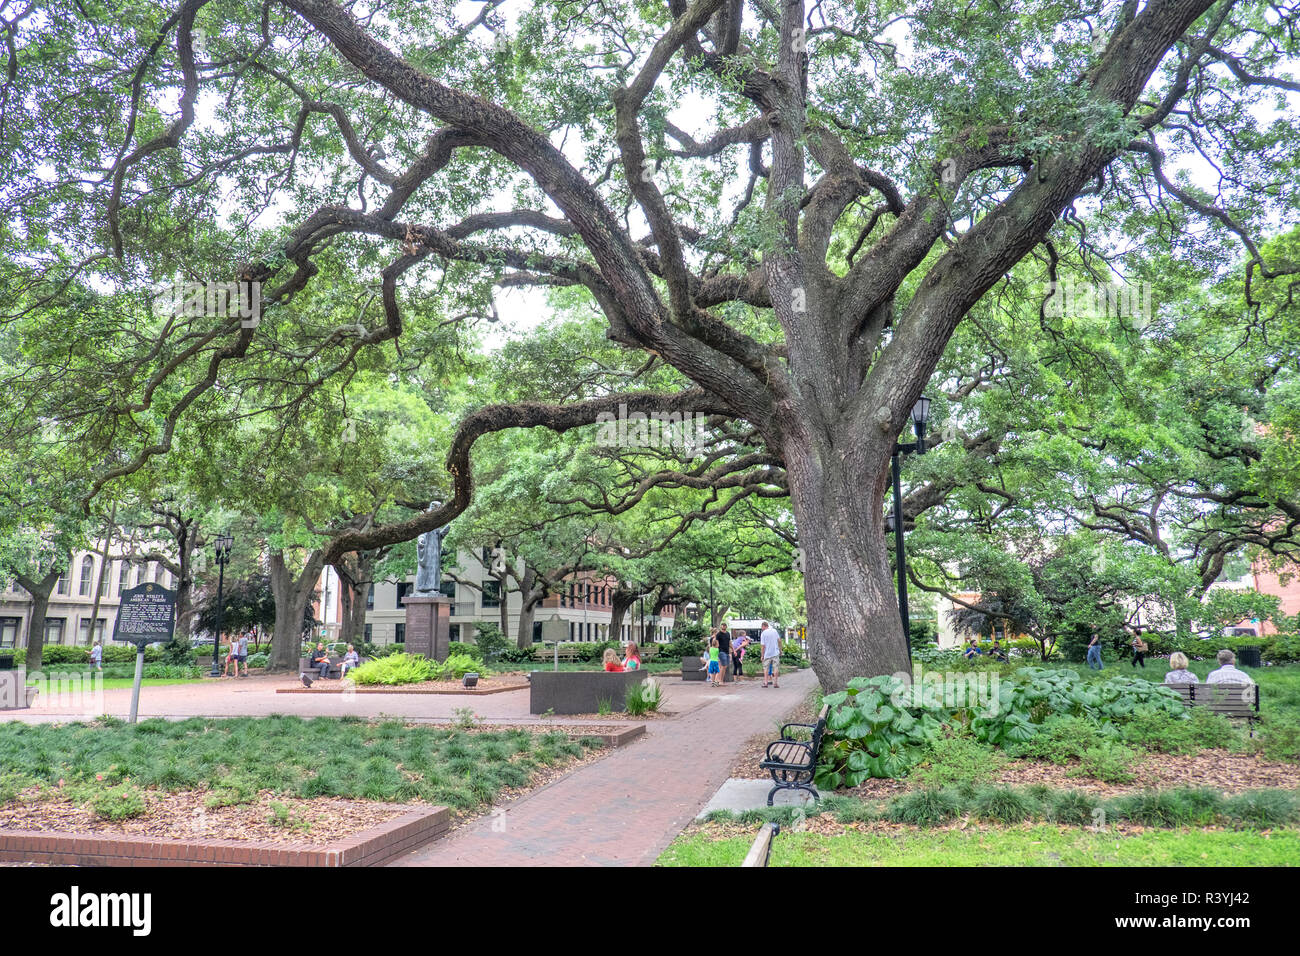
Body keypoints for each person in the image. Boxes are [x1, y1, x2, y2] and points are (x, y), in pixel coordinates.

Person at [759, 621, 781, 688]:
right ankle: (775, 683)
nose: (762, 628)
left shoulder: (763, 634)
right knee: (776, 667)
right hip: (775, 652)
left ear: (763, 626)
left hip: (767, 654)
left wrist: (762, 655)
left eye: (762, 627)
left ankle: (766, 683)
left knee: (766, 668)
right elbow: (779, 640)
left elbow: (763, 646)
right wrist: (780, 650)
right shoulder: (774, 631)